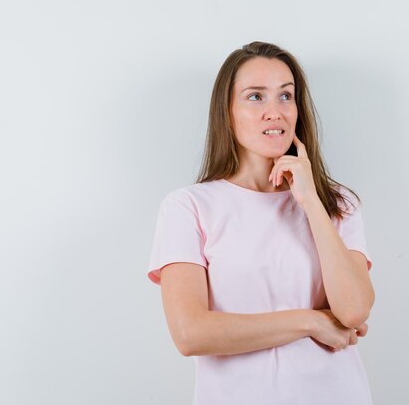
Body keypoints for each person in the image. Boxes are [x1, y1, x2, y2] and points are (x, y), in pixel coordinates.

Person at [146, 41, 376, 405]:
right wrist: (312, 321)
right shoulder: (188, 207)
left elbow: (353, 310)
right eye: (255, 97)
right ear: (227, 111)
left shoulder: (337, 204)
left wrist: (311, 203)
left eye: (286, 96)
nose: (275, 112)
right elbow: (191, 333)